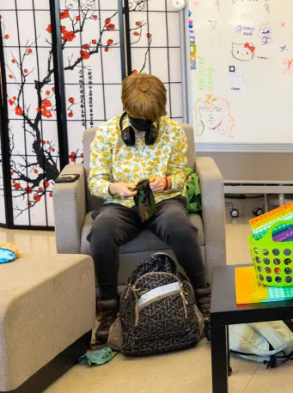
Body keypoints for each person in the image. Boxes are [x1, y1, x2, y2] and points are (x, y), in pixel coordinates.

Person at [88, 73, 211, 345]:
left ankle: (203, 295)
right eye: (138, 121)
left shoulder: (174, 133)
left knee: (180, 226)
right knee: (101, 231)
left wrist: (166, 181)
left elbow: (181, 176)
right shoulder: (107, 134)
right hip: (122, 204)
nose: (144, 129)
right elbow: (94, 180)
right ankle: (108, 307)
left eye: (149, 123)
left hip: (164, 201)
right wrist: (113, 187)